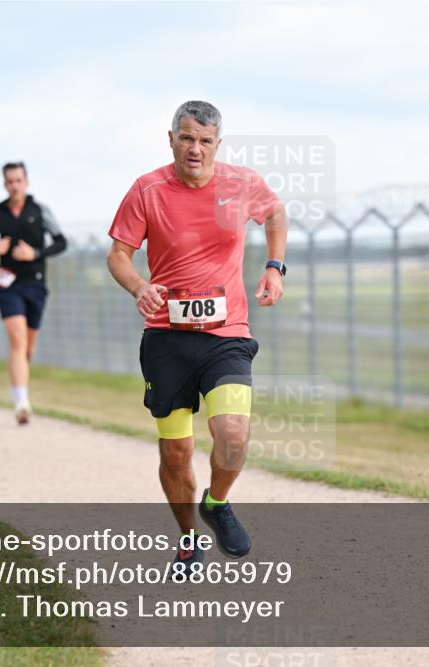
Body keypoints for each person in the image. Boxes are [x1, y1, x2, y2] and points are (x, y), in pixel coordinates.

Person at [107, 101, 287, 572]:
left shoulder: (241, 183)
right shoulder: (147, 190)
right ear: (171, 139)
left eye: (205, 141)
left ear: (217, 144)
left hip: (226, 333)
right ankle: (189, 541)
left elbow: (275, 214)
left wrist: (274, 267)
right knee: (177, 450)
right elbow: (119, 255)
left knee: (232, 434)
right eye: (187, 138)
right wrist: (140, 287)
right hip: (167, 337)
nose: (196, 148)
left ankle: (217, 502)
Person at [0, 161, 67, 424]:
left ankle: (19, 384)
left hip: (36, 284)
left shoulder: (40, 210)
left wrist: (36, 253)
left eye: (18, 180)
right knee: (17, 341)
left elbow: (61, 242)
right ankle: (21, 402)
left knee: (27, 348)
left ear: (26, 182)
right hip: (8, 285)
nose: (14, 186)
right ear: (4, 184)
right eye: (9, 181)